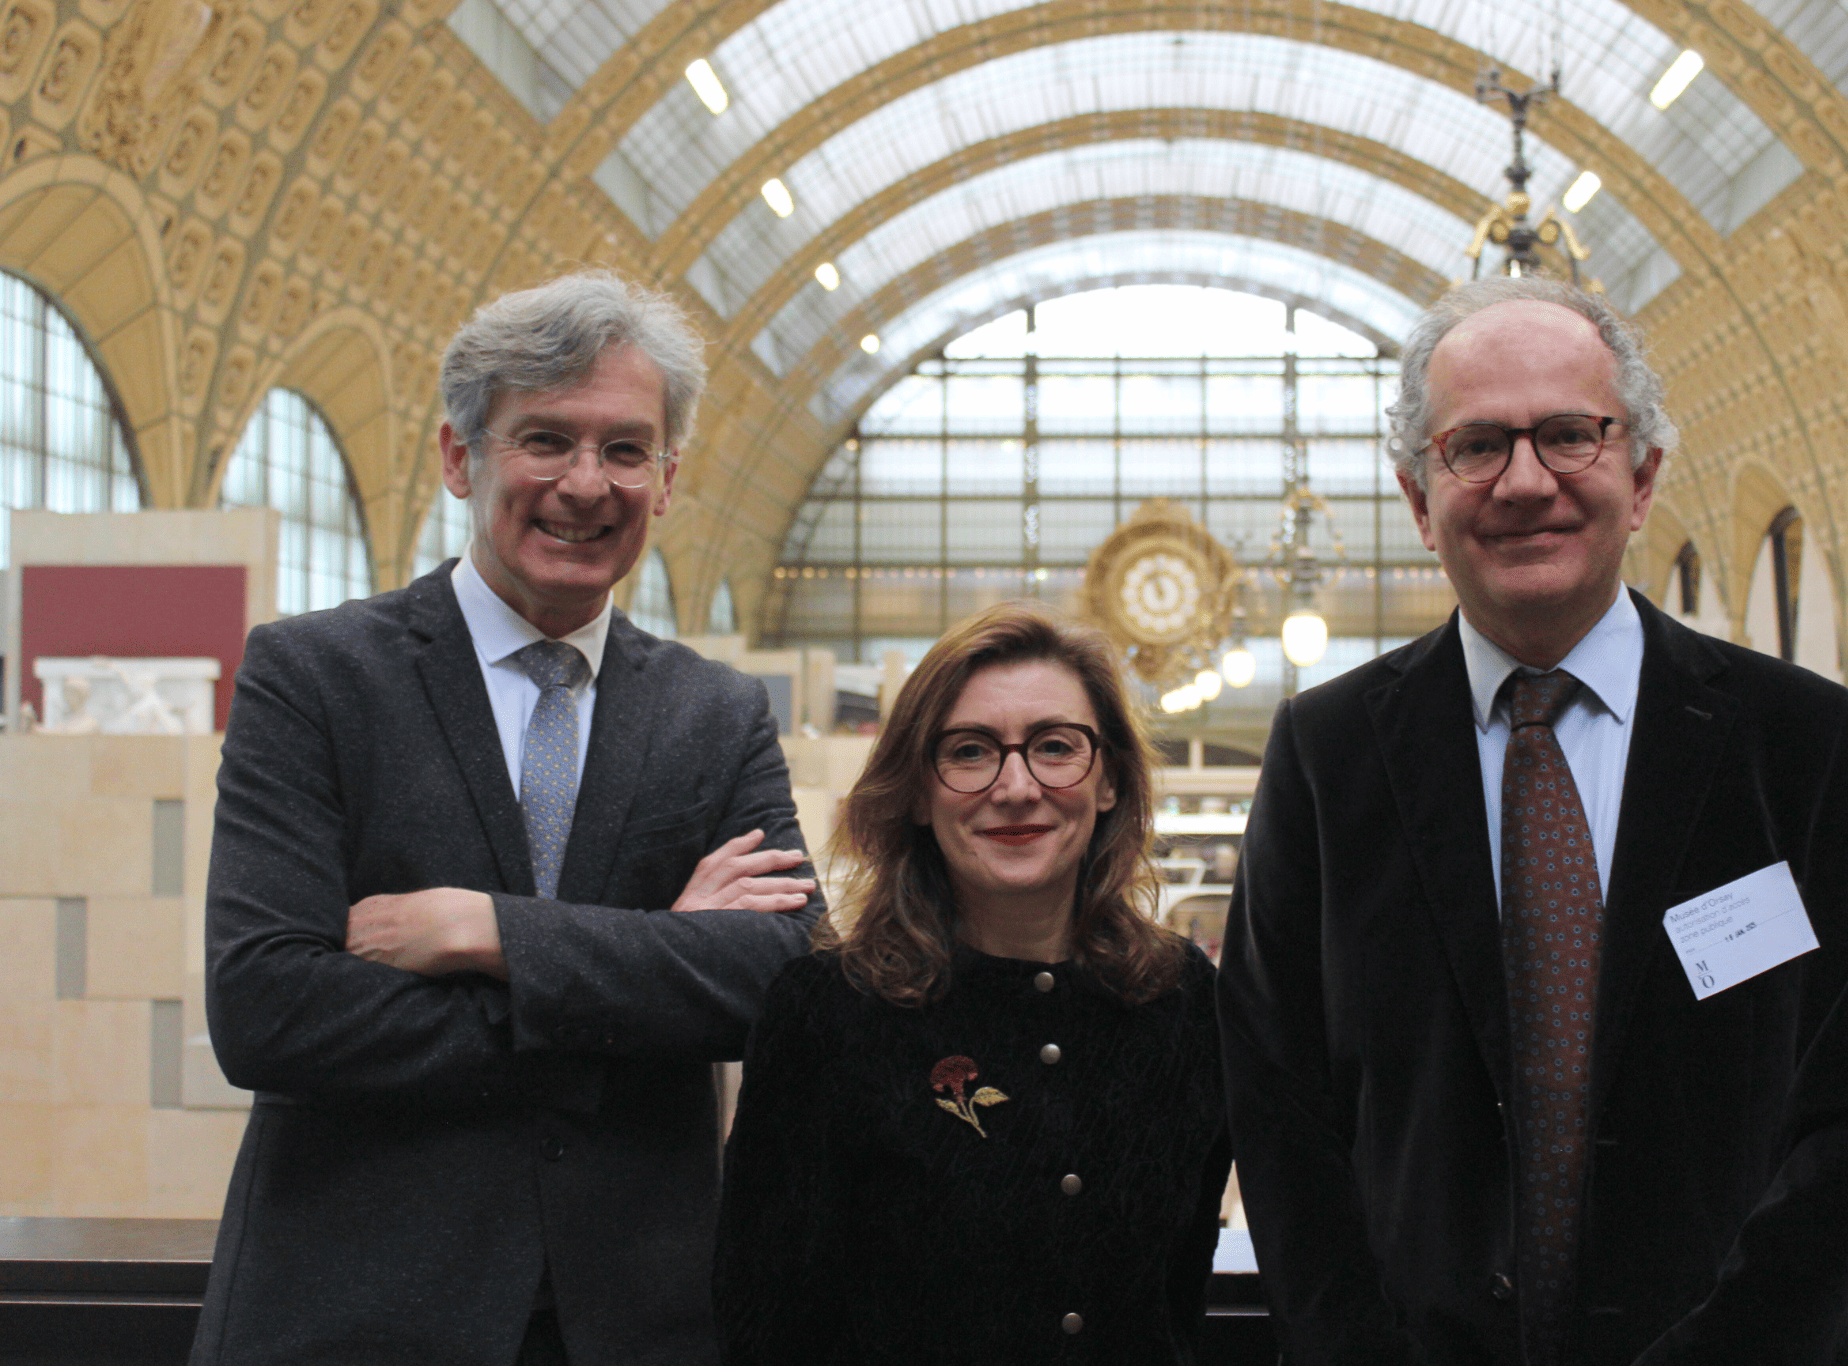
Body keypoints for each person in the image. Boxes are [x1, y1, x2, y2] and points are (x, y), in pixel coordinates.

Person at [1219, 277, 1848, 1366]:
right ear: (1417, 497)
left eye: (1566, 435)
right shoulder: (1325, 754)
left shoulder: (1803, 746)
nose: (1524, 480)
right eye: (1477, 445)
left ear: (1639, 478)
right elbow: (1277, 1110)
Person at [193, 272, 824, 1366]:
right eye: (545, 440)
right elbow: (268, 1007)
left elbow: (784, 983)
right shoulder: (313, 678)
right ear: (458, 458)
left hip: (637, 1324)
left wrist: (485, 931)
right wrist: (646, 967)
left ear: (667, 478)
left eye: (626, 449)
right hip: (352, 1318)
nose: (586, 483)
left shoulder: (714, 714)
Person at [713, 601, 1230, 1365]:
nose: (1017, 786)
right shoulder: (828, 1012)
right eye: (969, 751)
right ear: (918, 793)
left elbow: (1177, 1292)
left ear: (1112, 781)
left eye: (1056, 747)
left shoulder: (1179, 998)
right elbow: (766, 1317)